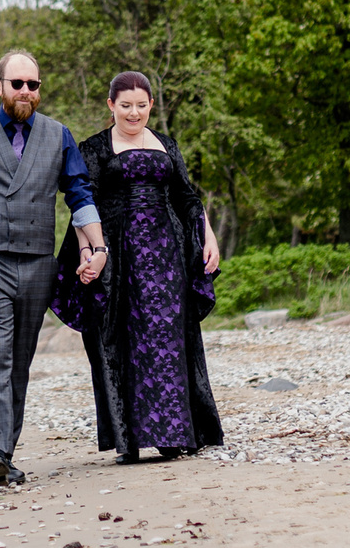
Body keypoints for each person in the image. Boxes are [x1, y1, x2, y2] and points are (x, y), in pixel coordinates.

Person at [0, 50, 107, 485]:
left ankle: (6, 452)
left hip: (38, 264)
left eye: (33, 85)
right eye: (17, 84)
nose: (26, 92)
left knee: (20, 359)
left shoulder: (59, 136)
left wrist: (98, 246)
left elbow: (80, 196)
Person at [53, 71, 224, 464]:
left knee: (170, 340)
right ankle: (130, 439)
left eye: (141, 105)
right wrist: (88, 251)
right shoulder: (93, 148)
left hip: (170, 255)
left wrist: (208, 237)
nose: (134, 113)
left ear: (151, 105)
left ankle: (176, 433)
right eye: (125, 105)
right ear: (111, 105)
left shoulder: (167, 145)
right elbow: (82, 204)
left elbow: (188, 198)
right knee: (123, 340)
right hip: (118, 255)